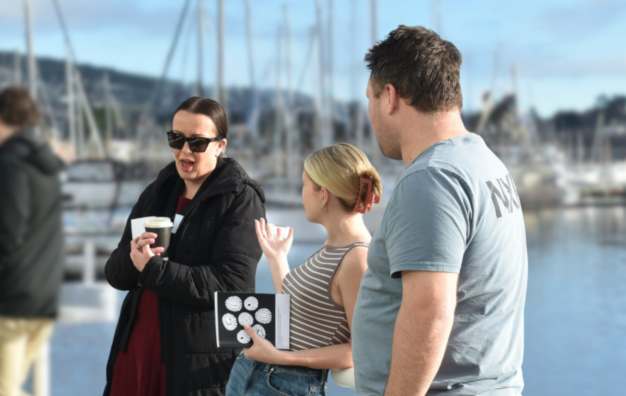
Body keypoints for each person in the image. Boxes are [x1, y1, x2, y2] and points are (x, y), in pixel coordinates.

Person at [353, 25, 527, 396]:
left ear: (390, 96)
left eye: (370, 98)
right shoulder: (484, 163)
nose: (370, 113)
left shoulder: (432, 179)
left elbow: (429, 312)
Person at [102, 96, 264, 396]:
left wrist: (151, 270)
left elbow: (231, 285)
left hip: (196, 366)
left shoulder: (241, 199)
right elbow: (115, 273)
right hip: (135, 350)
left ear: (220, 145)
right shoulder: (158, 191)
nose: (185, 150)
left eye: (197, 142)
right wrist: (131, 257)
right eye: (176, 139)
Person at [223, 143, 383, 396]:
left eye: (304, 184)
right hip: (257, 375)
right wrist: (277, 258)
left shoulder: (356, 258)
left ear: (323, 194)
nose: (301, 193)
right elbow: (300, 311)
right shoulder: (335, 246)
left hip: (283, 383)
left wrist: (279, 357)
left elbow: (357, 351)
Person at [0, 86, 68, 396]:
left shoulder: (11, 163)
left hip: (6, 300)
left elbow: (5, 233)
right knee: (9, 389)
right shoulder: (46, 165)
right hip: (42, 298)